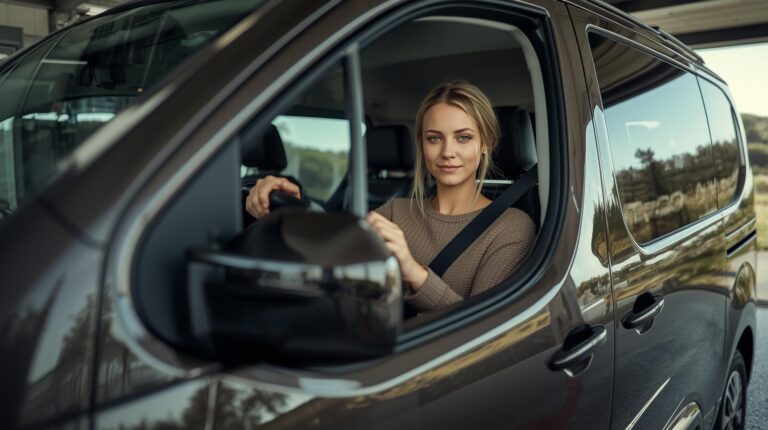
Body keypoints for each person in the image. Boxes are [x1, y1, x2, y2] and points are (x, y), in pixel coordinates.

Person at [246, 80, 535, 312]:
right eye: (434, 138)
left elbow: (483, 333)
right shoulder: (396, 211)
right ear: (421, 145)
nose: (448, 151)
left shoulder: (512, 227)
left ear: (486, 144)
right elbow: (334, 254)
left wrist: (411, 270)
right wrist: (289, 211)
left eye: (463, 137)